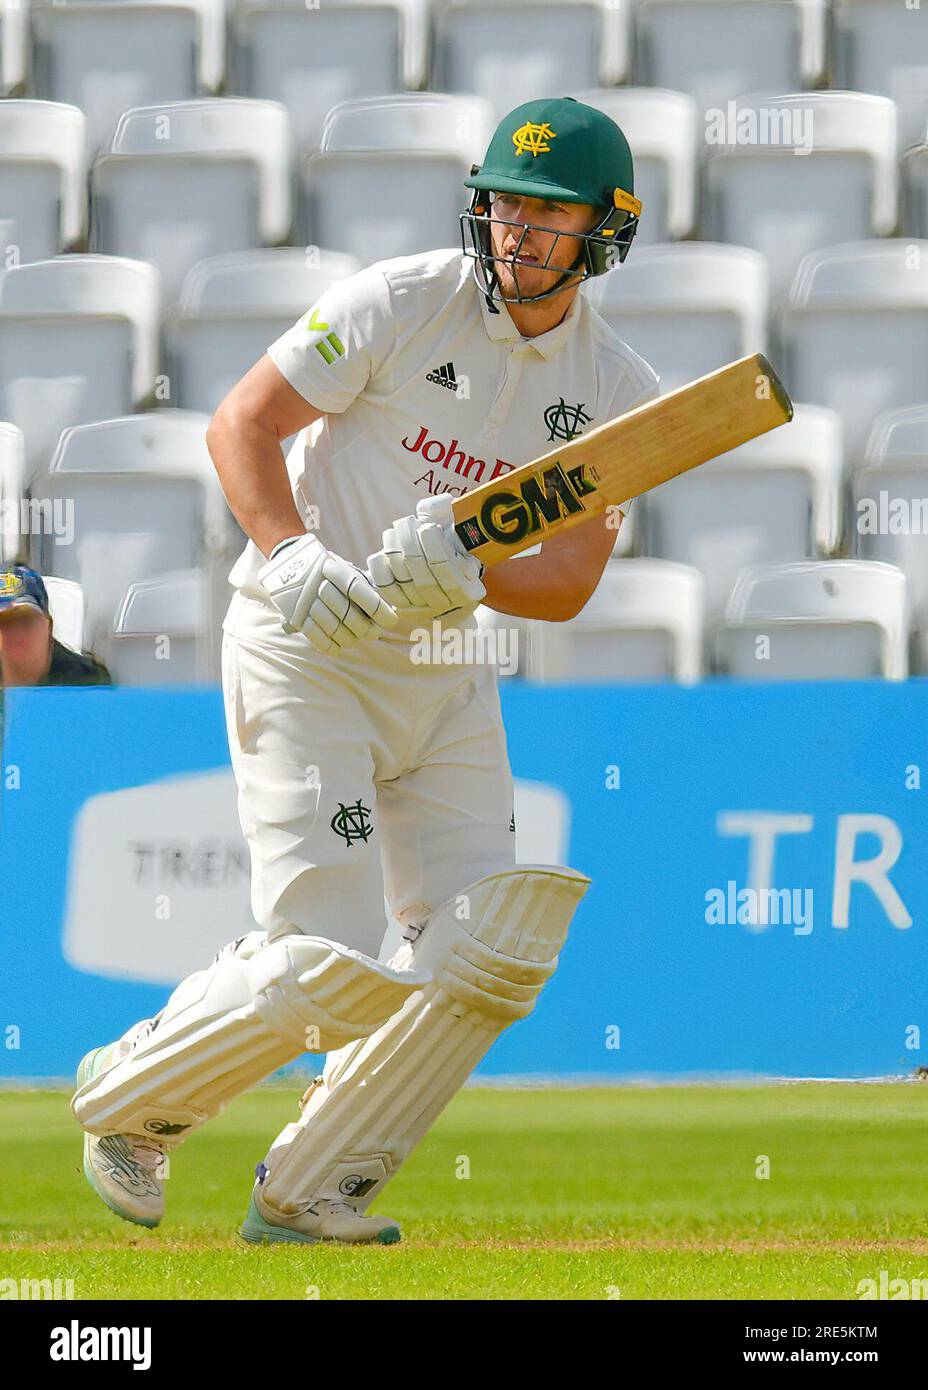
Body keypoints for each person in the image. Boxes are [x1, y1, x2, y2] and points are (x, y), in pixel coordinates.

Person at [71, 96, 660, 1245]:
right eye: (503, 202)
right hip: (308, 643)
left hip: (441, 664)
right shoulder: (399, 299)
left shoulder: (619, 389)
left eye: (548, 211)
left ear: (605, 228)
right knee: (325, 962)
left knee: (491, 943)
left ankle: (311, 1184)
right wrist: (288, 553)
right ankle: (131, 1102)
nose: (516, 229)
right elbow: (241, 424)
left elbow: (573, 577)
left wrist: (470, 572)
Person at [0, 565, 110, 688]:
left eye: (26, 620)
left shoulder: (89, 681)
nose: (17, 634)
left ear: (49, 627)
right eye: (6, 623)